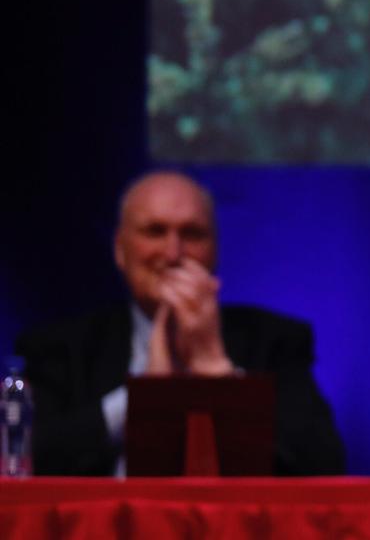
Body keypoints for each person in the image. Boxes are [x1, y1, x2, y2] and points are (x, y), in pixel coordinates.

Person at [12, 170, 345, 476]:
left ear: (214, 250)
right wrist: (143, 398)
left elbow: (324, 465)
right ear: (120, 250)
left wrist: (218, 371)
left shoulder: (276, 342)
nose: (173, 253)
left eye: (192, 234)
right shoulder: (61, 346)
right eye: (154, 232)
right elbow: (23, 461)